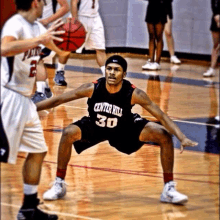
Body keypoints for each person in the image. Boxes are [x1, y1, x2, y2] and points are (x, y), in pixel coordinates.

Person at [36, 55, 198, 204]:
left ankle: (169, 189)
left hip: (124, 129)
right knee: (68, 133)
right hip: (96, 127)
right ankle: (59, 183)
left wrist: (181, 137)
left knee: (163, 134)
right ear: (105, 70)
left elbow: (162, 116)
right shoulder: (92, 88)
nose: (112, 73)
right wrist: (31, 108)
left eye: (117, 70)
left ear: (124, 74)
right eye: (109, 68)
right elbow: (58, 99)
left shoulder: (134, 93)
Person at [0, 0, 69, 219]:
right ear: (35, 3)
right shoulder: (16, 23)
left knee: (38, 151)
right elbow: (4, 48)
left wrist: (68, 45)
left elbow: (60, 52)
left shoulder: (37, 27)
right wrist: (39, 40)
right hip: (8, 97)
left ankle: (28, 208)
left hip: (26, 101)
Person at [32, 0, 71, 104]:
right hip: (31, 28)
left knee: (37, 58)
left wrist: (46, 20)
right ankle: (45, 89)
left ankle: (41, 92)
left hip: (46, 30)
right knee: (32, 60)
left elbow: (65, 7)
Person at [71, 0, 107, 75]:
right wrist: (75, 22)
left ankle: (106, 75)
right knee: (67, 47)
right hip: (81, 17)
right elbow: (74, 2)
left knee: (100, 48)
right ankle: (60, 70)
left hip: (95, 17)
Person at [142, 0, 167, 70]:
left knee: (159, 36)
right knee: (151, 36)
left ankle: (157, 62)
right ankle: (151, 60)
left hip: (161, 8)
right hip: (151, 7)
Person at [203, 0, 220, 77]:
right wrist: (216, 15)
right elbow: (213, 3)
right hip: (216, 18)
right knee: (216, 46)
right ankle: (212, 69)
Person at [164, 0, 181, 64]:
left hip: (166, 7)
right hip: (155, 5)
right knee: (155, 34)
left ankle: (172, 55)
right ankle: (153, 57)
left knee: (168, 32)